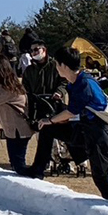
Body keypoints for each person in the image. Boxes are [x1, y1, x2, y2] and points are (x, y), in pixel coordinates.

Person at [34, 47, 108, 202]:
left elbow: (71, 112)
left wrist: (50, 120)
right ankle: (37, 171)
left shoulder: (84, 84)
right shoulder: (75, 82)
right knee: (48, 131)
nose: (56, 68)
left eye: (57, 64)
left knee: (100, 177)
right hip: (83, 130)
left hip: (98, 135)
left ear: (64, 66)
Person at [23, 40, 69, 177]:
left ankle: (64, 161)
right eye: (31, 51)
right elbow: (24, 87)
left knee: (60, 137)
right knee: (42, 135)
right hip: (38, 105)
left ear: (44, 50)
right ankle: (43, 163)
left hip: (55, 105)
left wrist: (59, 92)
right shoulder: (29, 70)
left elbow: (65, 81)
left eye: (36, 49)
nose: (34, 53)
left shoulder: (55, 66)